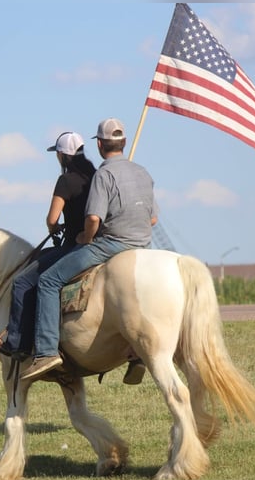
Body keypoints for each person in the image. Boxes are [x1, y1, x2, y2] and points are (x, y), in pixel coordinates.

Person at [21, 117, 158, 382]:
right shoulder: (143, 173)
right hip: (144, 246)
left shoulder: (104, 175)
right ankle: (139, 353)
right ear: (125, 142)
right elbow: (152, 218)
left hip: (111, 245)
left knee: (48, 281)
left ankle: (47, 351)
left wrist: (86, 237)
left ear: (100, 145)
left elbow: (94, 219)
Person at [0, 131, 96, 357]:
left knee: (22, 282)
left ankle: (18, 343)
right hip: (98, 245)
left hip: (73, 247)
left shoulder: (65, 180)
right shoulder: (96, 177)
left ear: (62, 155)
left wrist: (54, 228)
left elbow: (51, 219)